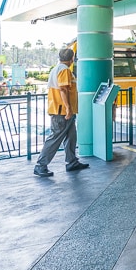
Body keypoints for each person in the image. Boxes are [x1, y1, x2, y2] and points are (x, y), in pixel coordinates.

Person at [33, 48, 89, 177]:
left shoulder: (56, 69)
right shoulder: (64, 70)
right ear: (72, 58)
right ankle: (40, 165)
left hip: (62, 110)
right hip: (62, 111)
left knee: (71, 136)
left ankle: (72, 162)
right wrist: (68, 108)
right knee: (55, 137)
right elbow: (63, 90)